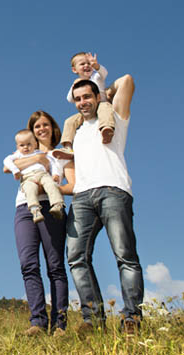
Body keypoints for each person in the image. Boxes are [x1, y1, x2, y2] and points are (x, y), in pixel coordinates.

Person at [65, 74, 143, 334]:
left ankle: (131, 317)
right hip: (82, 197)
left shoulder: (114, 118)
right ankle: (93, 320)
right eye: (77, 99)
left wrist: (104, 91)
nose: (82, 102)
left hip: (113, 190)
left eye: (87, 96)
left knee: (125, 255)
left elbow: (128, 80)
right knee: (76, 258)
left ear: (98, 96)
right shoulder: (76, 130)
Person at [3, 111, 74, 337]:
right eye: (37, 126)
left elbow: (72, 185)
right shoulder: (23, 151)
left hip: (51, 208)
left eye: (45, 125)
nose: (41, 129)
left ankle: (59, 324)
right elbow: (7, 167)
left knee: (55, 266)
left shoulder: (62, 154)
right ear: (31, 133)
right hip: (24, 208)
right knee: (28, 265)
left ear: (53, 128)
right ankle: (38, 322)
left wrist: (49, 185)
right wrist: (38, 158)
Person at [56, 52, 116, 158]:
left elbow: (104, 73)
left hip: (100, 104)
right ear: (75, 70)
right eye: (82, 64)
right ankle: (67, 147)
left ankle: (106, 129)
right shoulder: (77, 84)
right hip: (86, 111)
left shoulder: (96, 77)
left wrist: (97, 66)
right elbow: (70, 99)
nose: (86, 66)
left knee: (105, 109)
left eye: (89, 63)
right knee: (69, 121)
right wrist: (75, 85)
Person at [3, 129, 64, 223]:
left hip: (43, 174)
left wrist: (55, 174)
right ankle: (35, 210)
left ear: (35, 144)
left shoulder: (39, 153)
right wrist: (15, 171)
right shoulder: (18, 155)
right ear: (17, 146)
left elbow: (52, 163)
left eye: (29, 144)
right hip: (28, 178)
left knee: (51, 184)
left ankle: (57, 205)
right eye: (22, 145)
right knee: (29, 189)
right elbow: (6, 162)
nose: (26, 147)